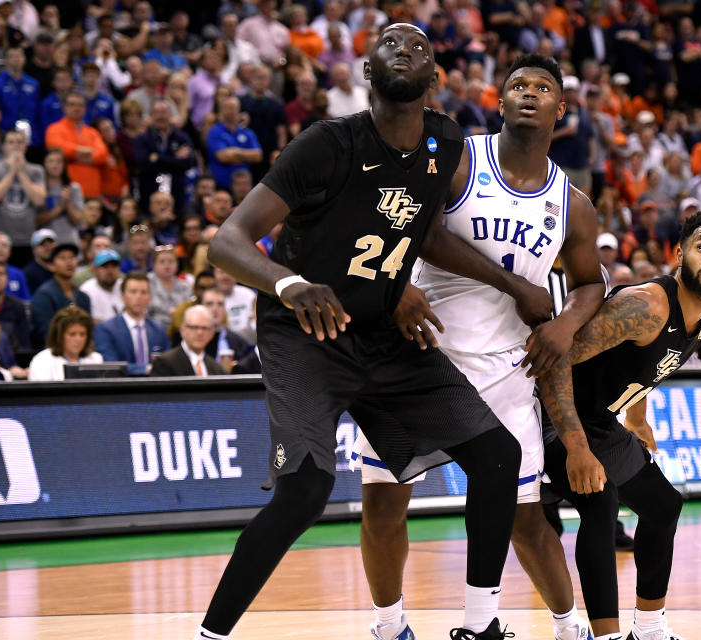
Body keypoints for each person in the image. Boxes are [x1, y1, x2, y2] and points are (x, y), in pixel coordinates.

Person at [197, 23, 530, 640]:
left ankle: (481, 626)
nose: (405, 51)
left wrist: (514, 285)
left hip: (381, 332)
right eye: (390, 45)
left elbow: (425, 235)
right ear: (368, 73)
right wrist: (289, 283)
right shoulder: (325, 145)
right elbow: (226, 241)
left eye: (419, 47)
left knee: (497, 455)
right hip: (306, 331)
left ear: (435, 78)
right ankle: (210, 634)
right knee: (307, 488)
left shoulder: (446, 140)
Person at [352, 53, 606, 640]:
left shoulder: (573, 202)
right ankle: (389, 628)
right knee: (384, 504)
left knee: (526, 520)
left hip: (506, 370)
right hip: (421, 353)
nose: (528, 93)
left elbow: (591, 283)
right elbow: (420, 229)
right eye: (517, 84)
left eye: (543, 87)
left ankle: (568, 628)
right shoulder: (462, 157)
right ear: (499, 101)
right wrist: (515, 285)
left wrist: (565, 325)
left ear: (560, 109)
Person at [538, 209, 701, 640]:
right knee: (600, 506)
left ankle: (648, 628)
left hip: (599, 420)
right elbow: (553, 361)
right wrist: (575, 446)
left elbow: (646, 365)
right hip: (552, 415)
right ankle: (606, 635)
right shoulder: (645, 305)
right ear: (678, 254)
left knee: (663, 506)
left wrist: (637, 417)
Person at [0, 129, 47, 258]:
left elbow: (39, 200)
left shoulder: (36, 170)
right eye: (11, 142)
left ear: (25, 147)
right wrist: (12, 172)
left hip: (27, 237)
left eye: (19, 142)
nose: (16, 145)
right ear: (3, 146)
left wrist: (20, 172)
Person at [94, 271, 170, 375]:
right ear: (122, 296)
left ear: (149, 298)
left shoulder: (159, 330)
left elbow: (167, 363)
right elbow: (111, 365)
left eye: (143, 292)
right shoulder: (106, 329)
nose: (138, 297)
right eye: (133, 292)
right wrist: (146, 369)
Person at [30, 242, 92, 346]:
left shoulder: (83, 297)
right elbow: (45, 332)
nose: (69, 262)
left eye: (72, 258)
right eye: (62, 258)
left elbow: (88, 329)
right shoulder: (44, 295)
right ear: (52, 266)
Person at [27, 305, 103, 380]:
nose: (78, 339)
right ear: (59, 335)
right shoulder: (42, 360)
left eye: (82, 334)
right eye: (72, 334)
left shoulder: (95, 359)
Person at [150, 304, 225, 376]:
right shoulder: (165, 363)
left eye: (204, 328)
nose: (200, 333)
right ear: (182, 330)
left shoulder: (216, 368)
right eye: (194, 327)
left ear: (212, 333)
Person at [0, 260, 31, 357]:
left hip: (14, 359)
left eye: (1, 273)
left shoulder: (18, 306)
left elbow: (24, 342)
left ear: (7, 280)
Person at [147, 244, 191, 328]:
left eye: (171, 261)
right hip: (152, 328)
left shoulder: (185, 286)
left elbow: (189, 310)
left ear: (177, 264)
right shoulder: (146, 283)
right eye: (162, 261)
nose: (167, 265)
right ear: (154, 265)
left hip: (179, 329)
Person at [80, 248, 124, 323]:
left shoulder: (124, 286)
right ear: (95, 269)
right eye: (105, 266)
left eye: (114, 266)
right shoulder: (86, 290)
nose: (110, 271)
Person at [23, 229, 57, 293]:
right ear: (33, 250)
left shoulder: (63, 268)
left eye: (51, 242)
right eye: (42, 244)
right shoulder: (28, 273)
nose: (48, 247)